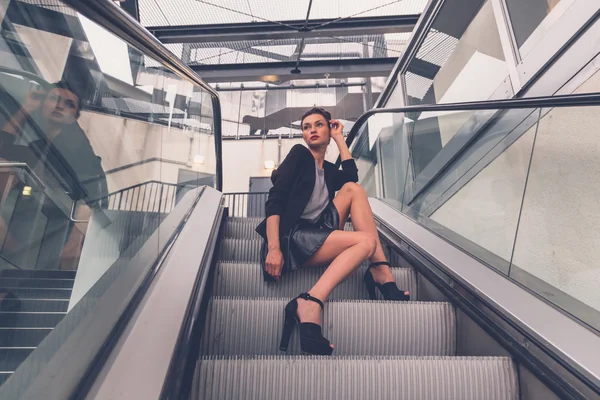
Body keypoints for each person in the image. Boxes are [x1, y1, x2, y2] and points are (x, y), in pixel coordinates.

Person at [255, 107, 410, 356]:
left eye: (319, 125)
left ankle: (380, 270)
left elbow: (351, 175)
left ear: (328, 129)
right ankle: (311, 301)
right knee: (367, 242)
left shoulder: (326, 169)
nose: (312, 130)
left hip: (317, 230)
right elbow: (275, 200)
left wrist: (340, 139)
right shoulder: (298, 156)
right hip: (293, 238)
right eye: (307, 127)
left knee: (353, 189)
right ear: (303, 135)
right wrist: (273, 247)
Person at [0, 80, 107, 269]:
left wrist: (75, 241)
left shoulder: (78, 151)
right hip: (27, 217)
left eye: (69, 104)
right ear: (43, 105)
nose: (60, 105)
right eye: (54, 99)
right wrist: (25, 109)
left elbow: (94, 195)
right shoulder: (36, 147)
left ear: (74, 117)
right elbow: (3, 150)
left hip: (57, 227)